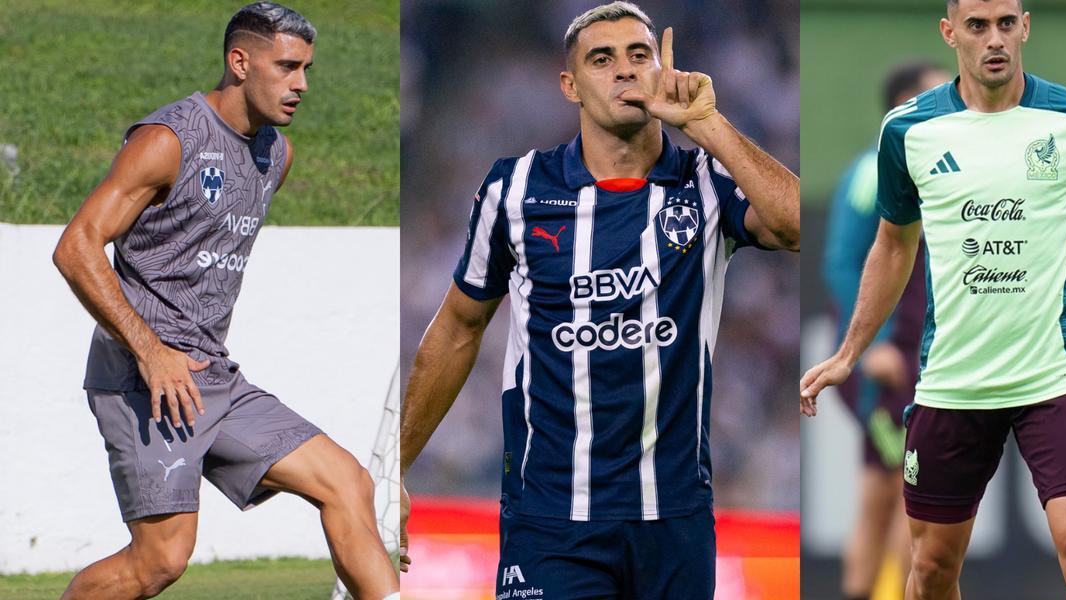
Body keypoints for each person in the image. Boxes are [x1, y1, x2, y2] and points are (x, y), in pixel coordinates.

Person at [397, 2, 800, 598]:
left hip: (674, 520)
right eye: (602, 59)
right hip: (551, 520)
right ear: (570, 84)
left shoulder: (705, 185)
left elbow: (794, 225)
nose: (624, 70)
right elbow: (459, 326)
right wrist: (393, 468)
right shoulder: (516, 189)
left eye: (640, 56)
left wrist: (709, 126)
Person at [800, 1, 1066, 598]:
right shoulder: (908, 130)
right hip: (953, 380)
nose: (994, 39)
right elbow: (892, 245)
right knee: (928, 570)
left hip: (1058, 373)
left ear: (1025, 26)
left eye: (1006, 23)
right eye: (977, 26)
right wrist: (851, 351)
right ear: (951, 33)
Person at [51, 4, 400, 599]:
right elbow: (76, 246)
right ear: (240, 63)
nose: (302, 85)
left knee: (349, 481)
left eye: (307, 69)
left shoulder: (275, 156)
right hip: (145, 380)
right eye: (287, 67)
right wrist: (153, 352)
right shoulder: (166, 140)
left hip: (214, 375)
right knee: (159, 561)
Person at [822, 60, 948, 600]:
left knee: (882, 491)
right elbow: (840, 262)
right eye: (939, 97)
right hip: (890, 366)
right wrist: (870, 345)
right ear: (904, 109)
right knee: (911, 493)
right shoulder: (876, 170)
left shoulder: (939, 171)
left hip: (917, 360)